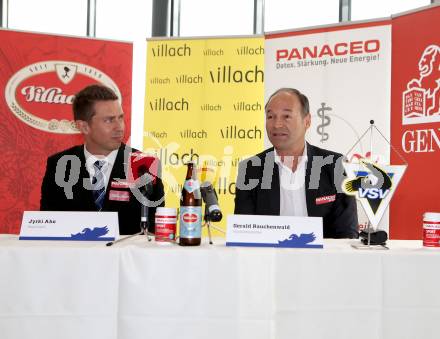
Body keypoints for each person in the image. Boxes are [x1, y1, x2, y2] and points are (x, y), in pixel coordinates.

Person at [40, 84, 164, 235]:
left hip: (126, 257)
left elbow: (156, 230)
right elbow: (48, 227)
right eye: (109, 120)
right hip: (73, 257)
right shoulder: (60, 165)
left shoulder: (144, 165)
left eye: (121, 118)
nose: (119, 127)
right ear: (84, 126)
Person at [234, 88, 358, 238]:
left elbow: (346, 234)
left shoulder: (336, 166)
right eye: (270, 116)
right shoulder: (250, 169)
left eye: (286, 116)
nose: (277, 124)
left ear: (307, 121)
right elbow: (244, 233)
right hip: (269, 258)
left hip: (323, 259)